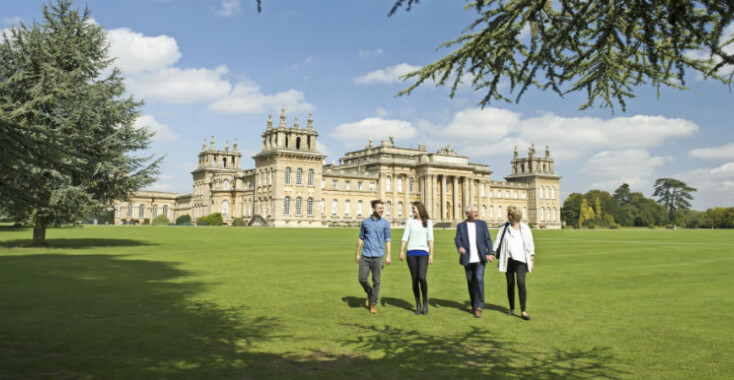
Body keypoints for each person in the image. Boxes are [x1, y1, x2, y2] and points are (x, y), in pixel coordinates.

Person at [494, 205, 535, 320]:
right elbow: (497, 240)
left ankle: (523, 310)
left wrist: (532, 259)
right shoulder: (504, 227)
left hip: (521, 259)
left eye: (509, 215)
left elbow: (530, 244)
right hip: (508, 259)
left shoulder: (525, 228)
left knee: (521, 282)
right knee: (510, 284)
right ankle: (512, 308)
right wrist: (492, 252)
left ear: (514, 216)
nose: (508, 216)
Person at [454, 205, 494, 318]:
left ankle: (479, 306)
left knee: (479, 280)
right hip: (468, 258)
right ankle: (473, 305)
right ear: (468, 214)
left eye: (477, 211)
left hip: (480, 258)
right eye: (474, 212)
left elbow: (487, 239)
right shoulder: (461, 226)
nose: (477, 213)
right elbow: (457, 238)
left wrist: (490, 252)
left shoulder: (482, 224)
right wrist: (460, 247)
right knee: (471, 282)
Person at [355, 200, 392, 314]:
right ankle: (370, 293)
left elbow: (388, 240)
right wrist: (357, 253)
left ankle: (373, 304)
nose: (382, 210)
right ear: (374, 209)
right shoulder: (365, 222)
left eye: (383, 208)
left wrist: (388, 255)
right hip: (365, 255)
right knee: (362, 279)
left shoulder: (385, 223)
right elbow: (361, 238)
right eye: (380, 208)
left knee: (377, 281)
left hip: (378, 256)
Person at [399, 202, 434, 315]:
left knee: (422, 277)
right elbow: (405, 236)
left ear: (419, 209)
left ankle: (425, 302)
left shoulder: (428, 222)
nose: (412, 210)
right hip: (411, 253)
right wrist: (401, 251)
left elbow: (431, 239)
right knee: (414, 279)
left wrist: (431, 254)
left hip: (423, 253)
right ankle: (418, 304)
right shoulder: (410, 221)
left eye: (413, 208)